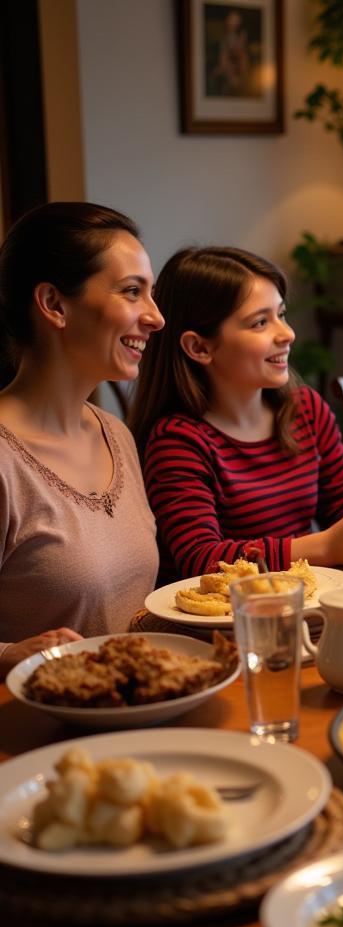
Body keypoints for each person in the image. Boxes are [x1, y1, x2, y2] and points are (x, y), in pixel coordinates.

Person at [129, 247, 343, 582]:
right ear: (200, 347)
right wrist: (326, 545)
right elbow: (203, 560)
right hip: (224, 625)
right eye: (260, 322)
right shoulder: (178, 441)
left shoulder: (305, 410)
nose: (287, 334)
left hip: (303, 602)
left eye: (281, 314)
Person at [0, 202, 163, 676]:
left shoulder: (116, 434)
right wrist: (9, 655)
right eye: (133, 292)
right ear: (54, 304)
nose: (156, 318)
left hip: (137, 714)